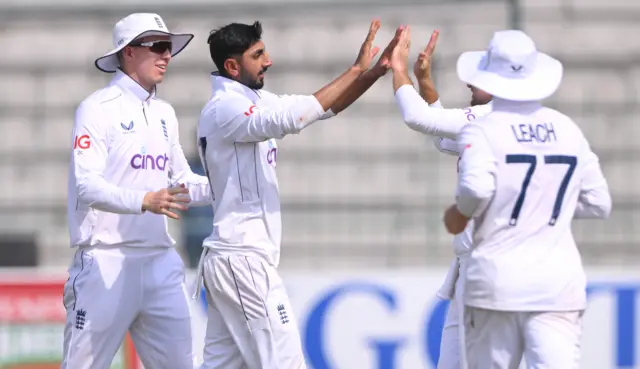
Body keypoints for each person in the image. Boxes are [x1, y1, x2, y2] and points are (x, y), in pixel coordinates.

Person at [195, 20, 401, 369]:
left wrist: (372, 74)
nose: (269, 60)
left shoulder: (254, 99)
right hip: (242, 260)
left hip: (237, 259)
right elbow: (295, 117)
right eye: (257, 55)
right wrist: (354, 69)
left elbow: (322, 109)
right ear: (232, 66)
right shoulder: (225, 108)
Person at [442, 30, 611, 368]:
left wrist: (458, 214)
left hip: (497, 282)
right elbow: (598, 202)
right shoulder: (567, 129)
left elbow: (476, 189)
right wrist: (545, 206)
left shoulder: (483, 129)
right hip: (558, 285)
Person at [65, 13, 211, 369]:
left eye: (169, 48)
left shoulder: (165, 113)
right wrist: (143, 201)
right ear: (128, 52)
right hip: (106, 259)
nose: (167, 56)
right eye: (158, 47)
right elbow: (86, 185)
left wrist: (230, 185)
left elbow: (181, 183)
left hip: (160, 260)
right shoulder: (96, 108)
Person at [389, 27, 493, 369]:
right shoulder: (488, 121)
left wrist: (399, 69)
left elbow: (419, 118)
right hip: (472, 268)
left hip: (486, 269)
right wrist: (425, 81)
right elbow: (445, 140)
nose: (468, 85)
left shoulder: (489, 118)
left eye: (477, 79)